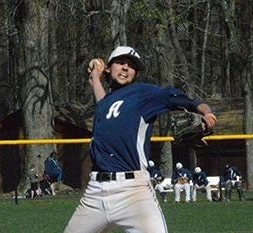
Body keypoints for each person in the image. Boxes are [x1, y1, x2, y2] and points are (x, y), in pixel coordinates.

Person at [64, 46, 217, 233]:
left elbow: (176, 97)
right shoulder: (105, 103)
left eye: (132, 65)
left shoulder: (143, 94)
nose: (126, 68)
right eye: (121, 62)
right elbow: (103, 104)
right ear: (109, 68)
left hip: (133, 193)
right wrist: (95, 79)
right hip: (95, 192)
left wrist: (207, 113)